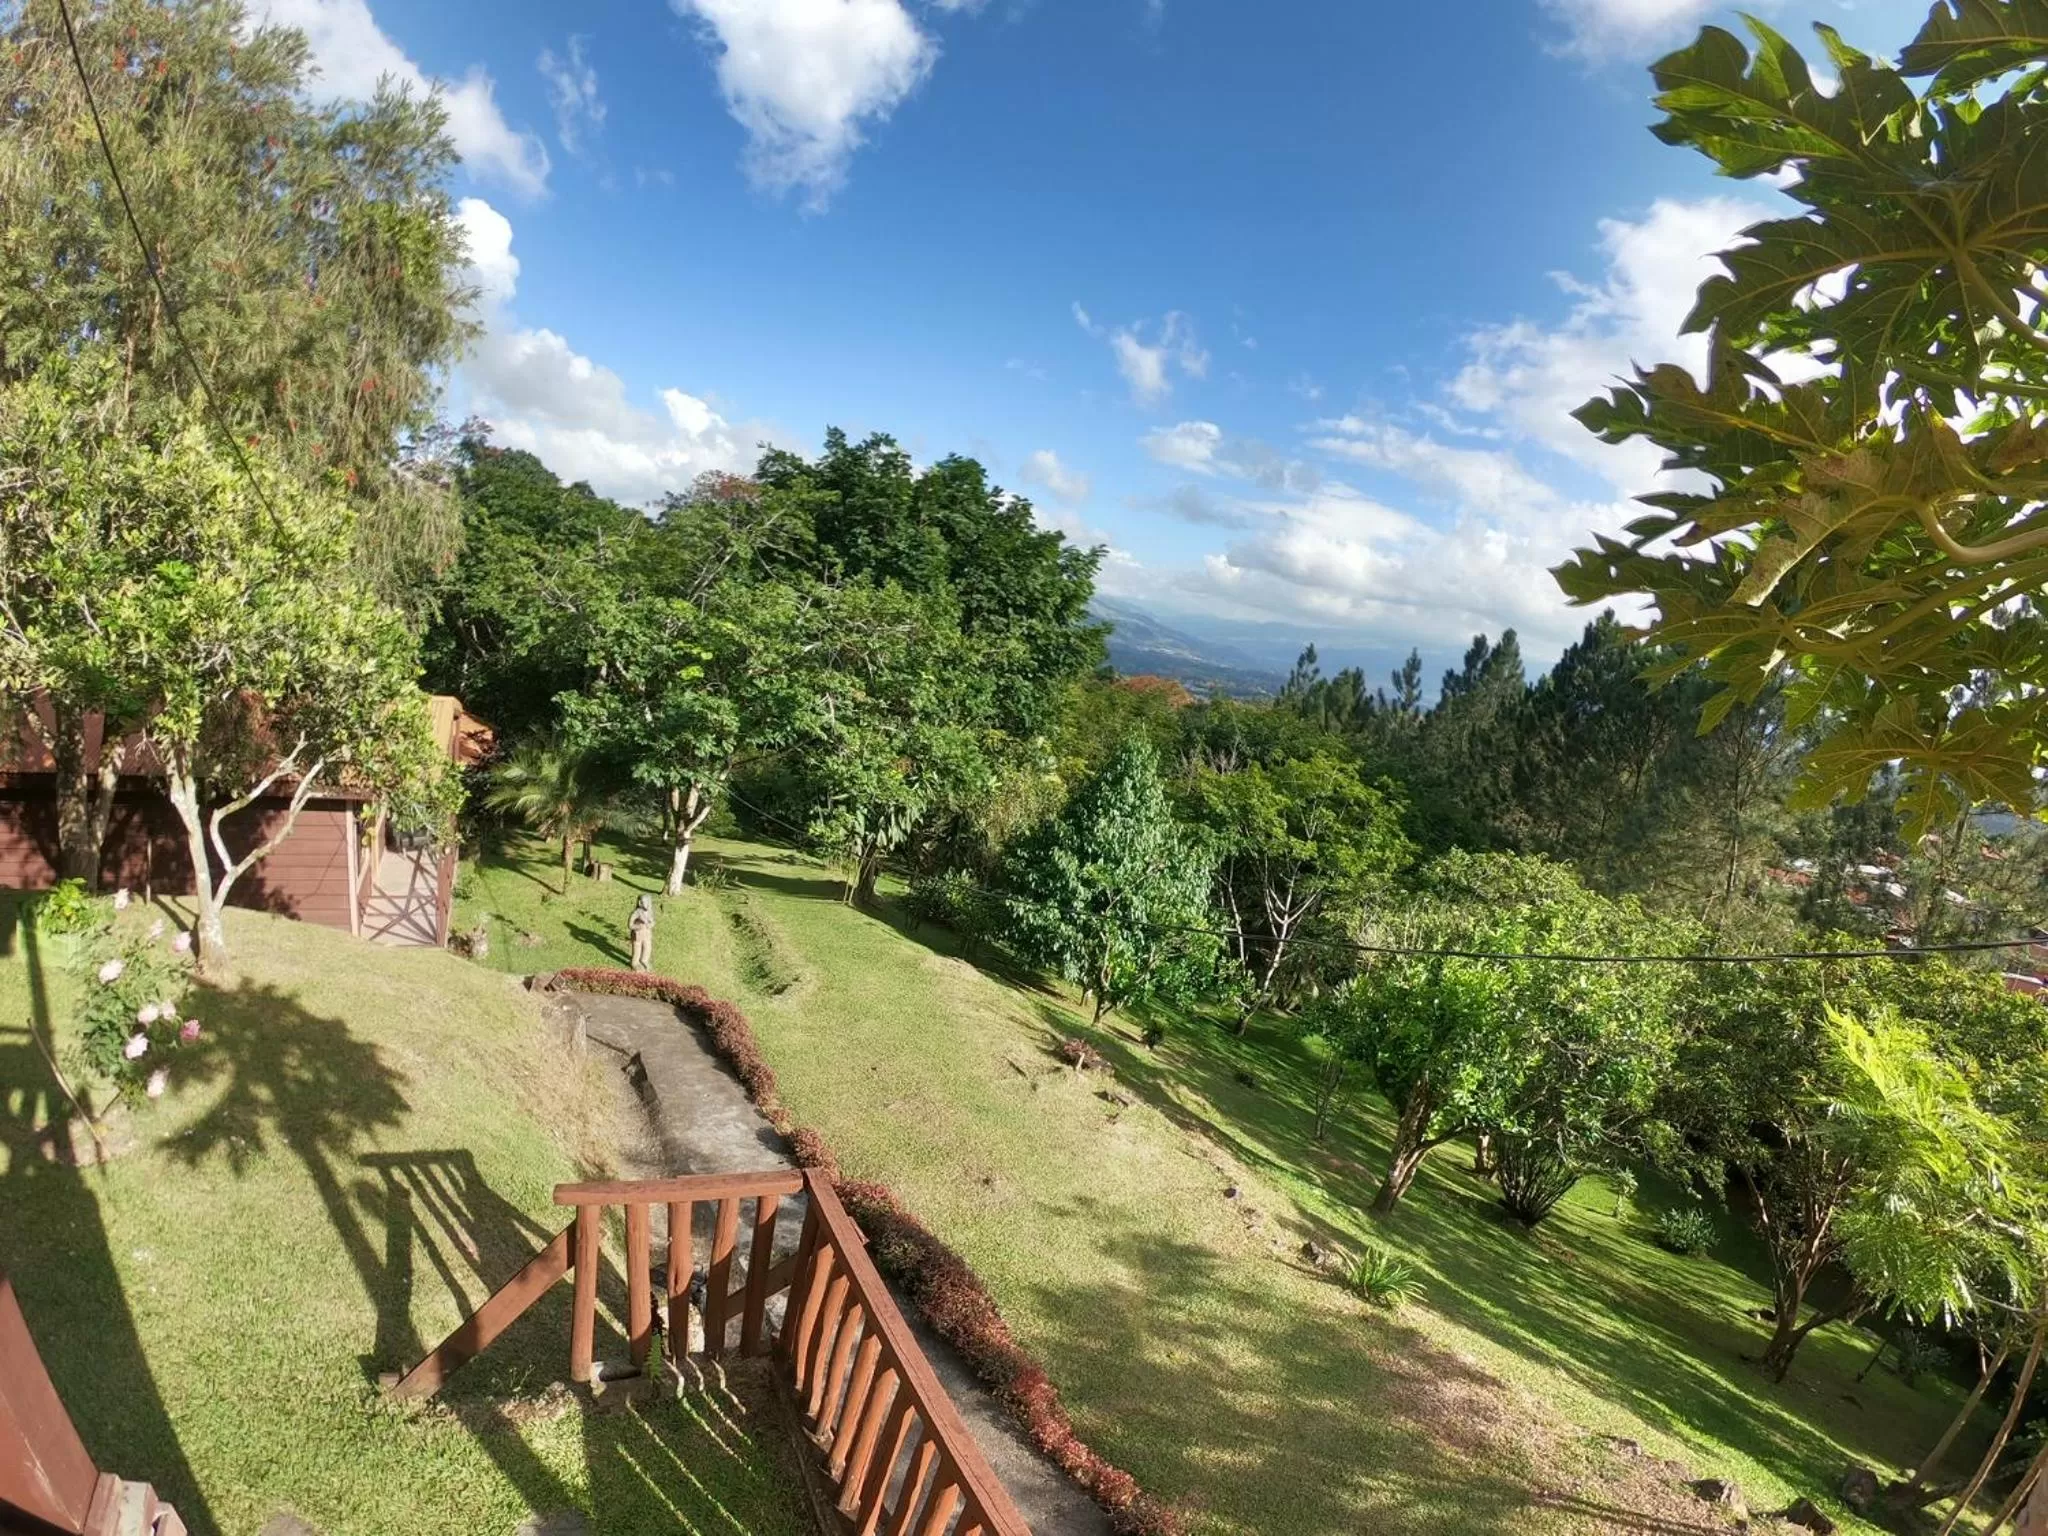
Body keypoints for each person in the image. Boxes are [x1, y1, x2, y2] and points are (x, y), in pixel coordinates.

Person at [628, 894, 655, 971]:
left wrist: (651, 924)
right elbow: (630, 925)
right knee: (637, 949)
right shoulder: (636, 912)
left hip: (647, 933)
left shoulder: (650, 912)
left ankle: (644, 960)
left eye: (646, 902)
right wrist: (637, 927)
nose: (644, 904)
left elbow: (653, 921)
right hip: (638, 935)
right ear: (639, 903)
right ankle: (635, 963)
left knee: (647, 947)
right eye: (642, 902)